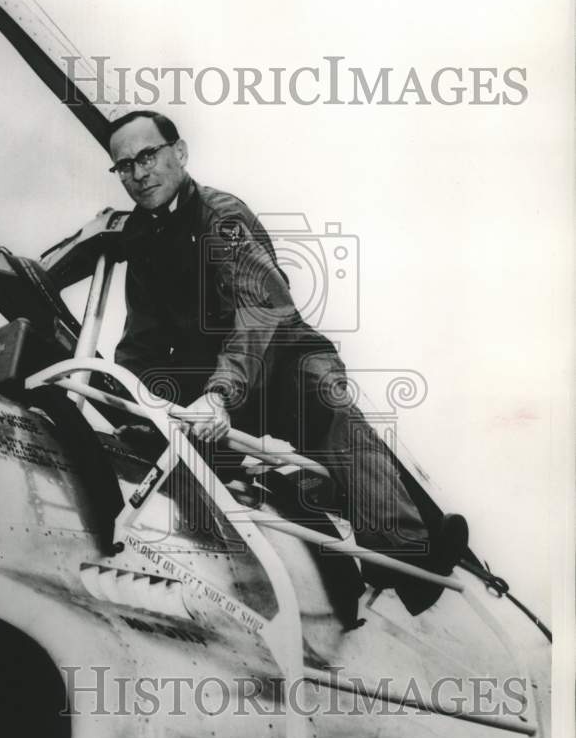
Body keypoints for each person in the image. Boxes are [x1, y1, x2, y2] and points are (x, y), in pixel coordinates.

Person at [106, 109, 467, 616]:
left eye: (147, 156)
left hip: (282, 360)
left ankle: (407, 555)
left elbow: (261, 308)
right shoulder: (143, 237)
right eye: (123, 166)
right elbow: (142, 334)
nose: (138, 173)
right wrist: (134, 401)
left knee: (325, 402)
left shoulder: (222, 217)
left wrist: (219, 394)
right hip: (223, 383)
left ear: (180, 154)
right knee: (172, 434)